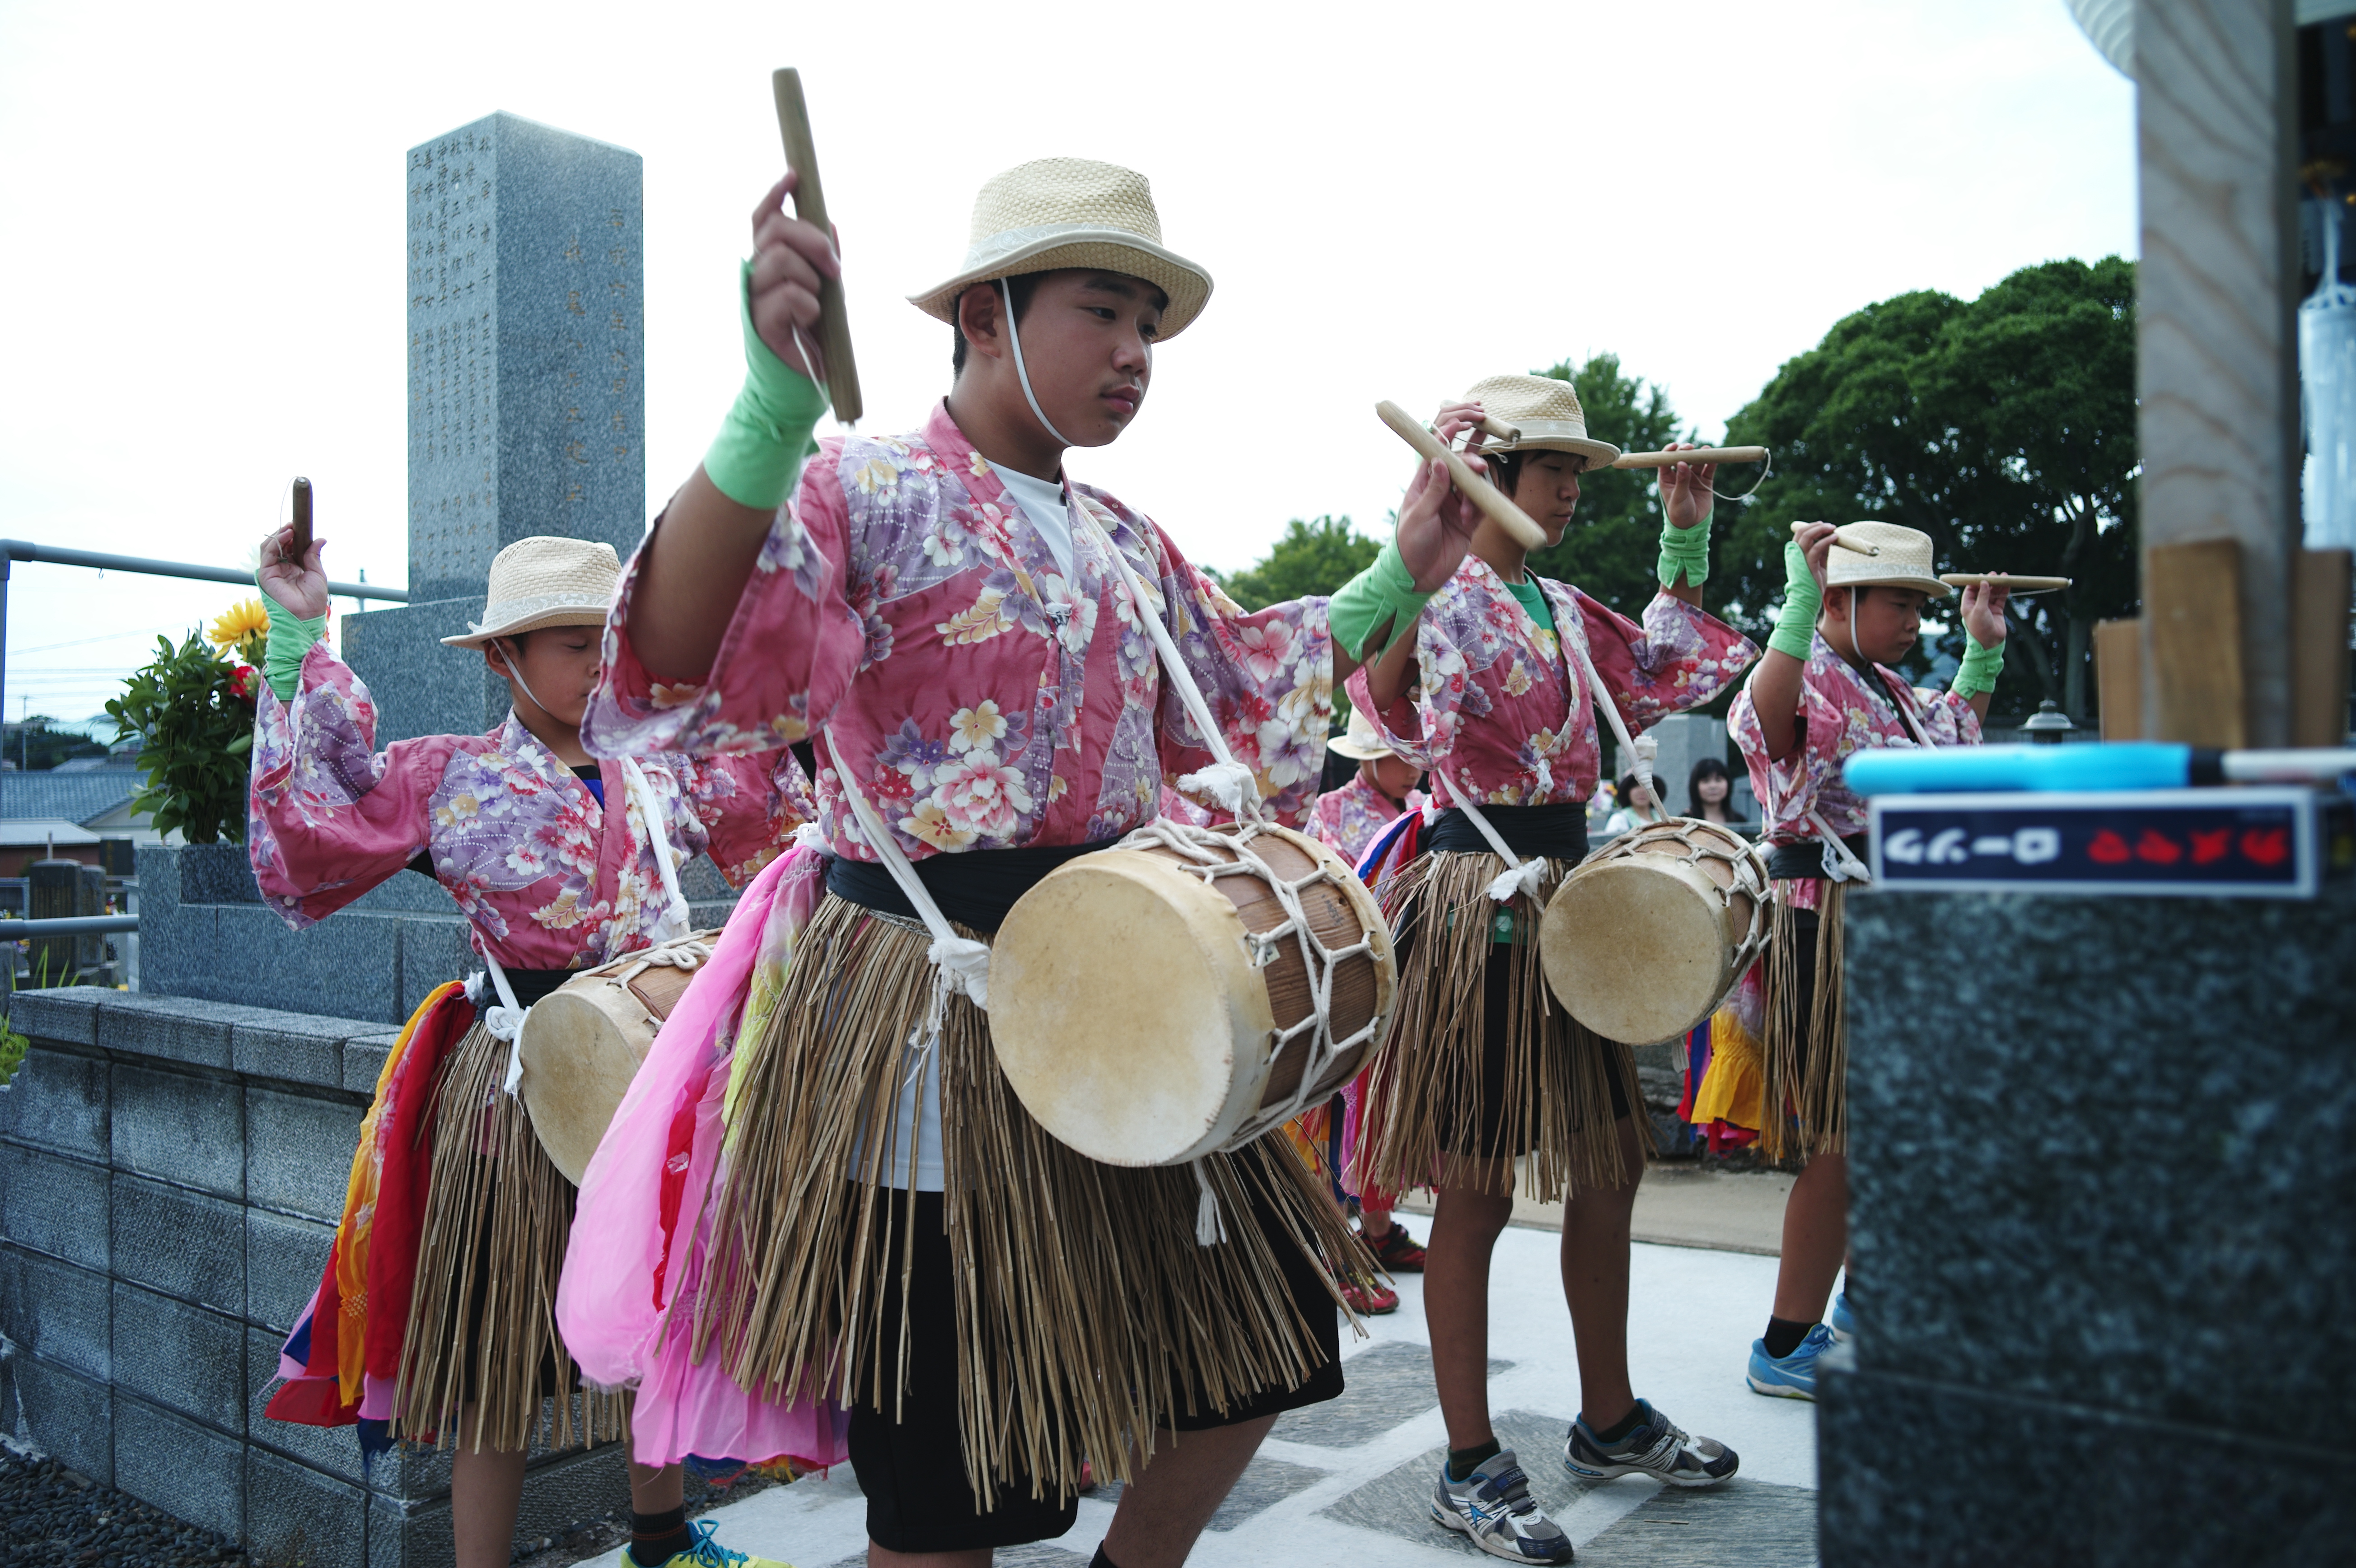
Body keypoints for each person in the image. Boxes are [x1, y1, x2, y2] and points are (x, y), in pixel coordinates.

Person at [566, 158, 1484, 1568]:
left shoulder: (1122, 538)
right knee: (948, 1489)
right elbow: (680, 654)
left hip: (1116, 996)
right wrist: (766, 412)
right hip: (923, 1017)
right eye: (1101, 312)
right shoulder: (856, 491)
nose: (1133, 355)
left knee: (1264, 1343)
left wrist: (1406, 560)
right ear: (986, 314)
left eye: (1148, 331)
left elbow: (1243, 688)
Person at [249, 534, 812, 1568]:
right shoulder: (450, 779)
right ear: (501, 660)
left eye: (613, 643)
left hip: (646, 1079)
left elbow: (782, 814)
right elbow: (313, 831)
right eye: (569, 645)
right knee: (497, 1354)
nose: (600, 666)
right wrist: (295, 638)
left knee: (655, 1313)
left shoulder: (660, 774)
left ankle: (662, 1542)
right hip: (512, 1090)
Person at [1349, 376, 1758, 1563]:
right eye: (1551, 470)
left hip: (1572, 901)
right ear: (1491, 478)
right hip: (1477, 903)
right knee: (1472, 1192)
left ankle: (1611, 1418)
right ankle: (1471, 1461)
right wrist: (1418, 547)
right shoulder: (1440, 590)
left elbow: (1670, 674)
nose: (1573, 489)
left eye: (1580, 471)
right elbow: (1374, 696)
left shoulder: (1568, 611)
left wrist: (1687, 528)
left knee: (1609, 1169)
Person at [1728, 520, 2007, 1400]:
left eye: (1921, 605)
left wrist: (1984, 650)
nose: (1914, 621)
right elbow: (1757, 722)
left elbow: (1954, 730)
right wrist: (1796, 604)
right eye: (1900, 601)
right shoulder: (1808, 664)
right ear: (1841, 599)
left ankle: (1860, 1300)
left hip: (1877, 921)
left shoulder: (1885, 685)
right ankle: (1783, 1338)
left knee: (1884, 1132)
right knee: (1843, 1140)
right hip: (1823, 919)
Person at [1305, 707, 1432, 1299]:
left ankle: (1377, 1228)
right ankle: (1333, 1243)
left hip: (1406, 977)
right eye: (1401, 757)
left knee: (1388, 1109)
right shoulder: (1326, 813)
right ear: (1369, 756)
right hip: (1343, 979)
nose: (1414, 770)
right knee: (1337, 1115)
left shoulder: (1422, 813)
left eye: (1417, 758)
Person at [1686, 756, 1739, 826]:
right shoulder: (1686, 821)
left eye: (1718, 780)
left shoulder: (1739, 821)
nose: (1713, 786)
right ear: (1695, 786)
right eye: (1706, 781)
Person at [1600, 772, 1656, 836]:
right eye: (1635, 786)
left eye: (1645, 785)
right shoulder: (1620, 820)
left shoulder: (1660, 818)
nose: (1641, 791)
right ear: (1627, 792)